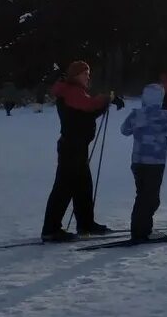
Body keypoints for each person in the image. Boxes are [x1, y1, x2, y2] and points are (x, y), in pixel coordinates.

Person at [41, 60, 123, 241]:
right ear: (76, 75)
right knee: (64, 188)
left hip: (76, 147)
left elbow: (87, 113)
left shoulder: (73, 91)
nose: (88, 77)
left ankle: (86, 224)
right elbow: (89, 106)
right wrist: (107, 99)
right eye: (85, 73)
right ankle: (50, 229)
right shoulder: (72, 91)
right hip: (72, 147)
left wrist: (107, 101)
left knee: (83, 187)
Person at [120, 82, 167, 241]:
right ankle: (141, 232)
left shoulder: (136, 114)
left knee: (143, 195)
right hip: (155, 163)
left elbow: (124, 131)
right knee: (150, 198)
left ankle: (141, 228)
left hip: (137, 161)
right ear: (160, 99)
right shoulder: (164, 116)